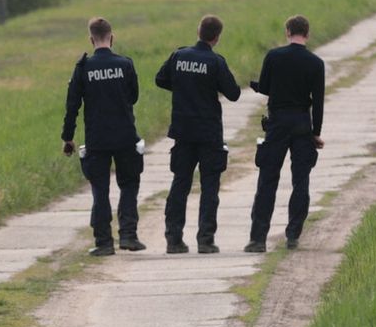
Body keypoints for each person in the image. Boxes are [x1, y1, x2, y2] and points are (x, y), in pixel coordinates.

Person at [155, 13, 241, 254]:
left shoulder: (179, 55)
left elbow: (160, 79)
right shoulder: (216, 62)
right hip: (209, 132)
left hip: (182, 131)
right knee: (209, 186)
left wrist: (183, 87)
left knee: (180, 184)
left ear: (199, 32)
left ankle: (173, 240)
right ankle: (205, 239)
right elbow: (234, 93)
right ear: (217, 37)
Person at [61, 16, 146, 256]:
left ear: (91, 39)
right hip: (125, 136)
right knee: (129, 185)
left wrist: (68, 138)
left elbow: (72, 105)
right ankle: (129, 236)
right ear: (112, 37)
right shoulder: (125, 64)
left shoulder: (83, 68)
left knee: (100, 189)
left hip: (97, 138)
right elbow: (133, 97)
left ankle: (104, 243)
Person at [245, 14, 326, 252]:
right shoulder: (316, 63)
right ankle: (292, 235)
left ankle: (258, 239)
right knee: (301, 181)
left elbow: (267, 88)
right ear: (307, 34)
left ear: (287, 32)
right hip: (302, 123)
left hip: (277, 123)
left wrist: (257, 86)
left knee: (267, 179)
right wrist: (315, 132)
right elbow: (318, 102)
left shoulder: (274, 56)